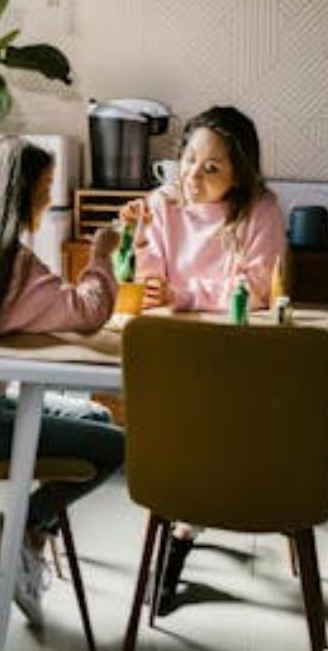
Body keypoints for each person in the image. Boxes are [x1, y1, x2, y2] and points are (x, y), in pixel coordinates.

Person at [0, 135, 124, 628]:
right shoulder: (9, 263)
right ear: (20, 194)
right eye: (46, 187)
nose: (49, 198)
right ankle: (19, 530)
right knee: (118, 447)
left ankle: (28, 541)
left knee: (95, 415)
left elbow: (38, 310)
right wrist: (102, 253)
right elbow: (87, 310)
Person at [121, 105, 286, 614]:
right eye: (189, 161)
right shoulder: (160, 205)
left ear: (241, 174)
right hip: (173, 348)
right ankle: (180, 524)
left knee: (211, 425)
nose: (194, 176)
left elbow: (256, 290)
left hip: (236, 352)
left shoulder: (260, 210)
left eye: (212, 168)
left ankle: (181, 534)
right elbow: (148, 284)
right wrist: (132, 240)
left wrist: (184, 293)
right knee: (178, 430)